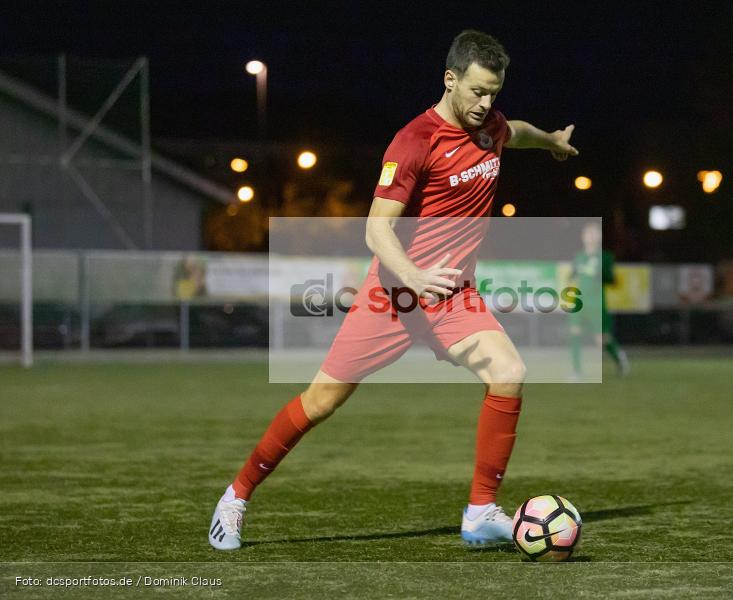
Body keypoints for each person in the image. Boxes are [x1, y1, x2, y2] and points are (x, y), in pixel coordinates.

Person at [208, 29, 579, 550]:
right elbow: (376, 229)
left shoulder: (489, 126)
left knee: (509, 372)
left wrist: (551, 142)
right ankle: (236, 496)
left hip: (451, 297)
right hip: (393, 297)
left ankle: (479, 512)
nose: (485, 103)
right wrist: (415, 276)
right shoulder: (413, 142)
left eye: (493, 92)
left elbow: (514, 131)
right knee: (320, 401)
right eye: (475, 91)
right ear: (450, 80)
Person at [567, 223, 629, 379]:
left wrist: (601, 274)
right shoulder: (579, 256)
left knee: (602, 339)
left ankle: (619, 358)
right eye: (588, 234)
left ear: (599, 237)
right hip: (579, 301)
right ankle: (576, 371)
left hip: (596, 302)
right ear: (583, 237)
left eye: (594, 234)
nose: (591, 237)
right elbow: (572, 275)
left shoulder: (606, 257)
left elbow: (611, 279)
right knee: (574, 332)